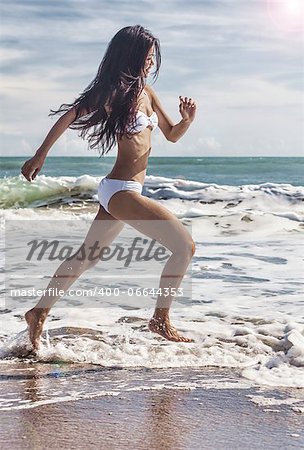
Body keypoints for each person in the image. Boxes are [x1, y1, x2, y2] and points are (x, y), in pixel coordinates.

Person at [21, 25, 197, 351]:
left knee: (86, 256)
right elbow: (70, 115)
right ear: (131, 56)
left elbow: (172, 134)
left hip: (121, 190)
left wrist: (186, 121)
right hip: (121, 191)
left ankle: (38, 312)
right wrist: (40, 154)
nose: (151, 64)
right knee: (184, 246)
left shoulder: (148, 93)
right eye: (147, 58)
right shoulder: (113, 92)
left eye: (153, 58)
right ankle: (160, 319)